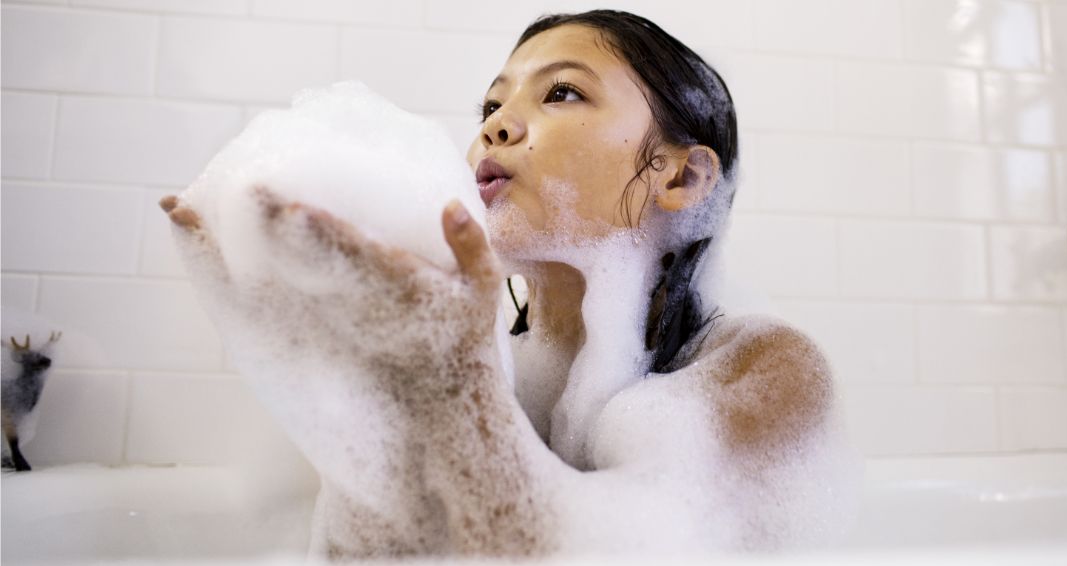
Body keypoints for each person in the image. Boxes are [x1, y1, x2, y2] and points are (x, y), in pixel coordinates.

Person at [162, 9, 853, 559]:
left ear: (681, 177)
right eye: (490, 106)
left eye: (562, 92)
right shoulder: (499, 349)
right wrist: (332, 362)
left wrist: (453, 377)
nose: (496, 124)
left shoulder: (766, 371)